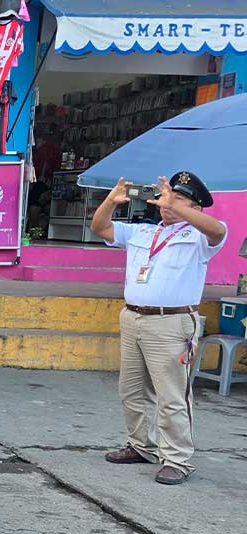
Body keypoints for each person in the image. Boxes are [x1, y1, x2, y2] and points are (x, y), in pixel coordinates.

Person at [91, 172, 227, 486]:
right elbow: (100, 227)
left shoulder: (198, 236)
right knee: (131, 390)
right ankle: (140, 445)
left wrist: (176, 208)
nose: (167, 203)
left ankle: (177, 460)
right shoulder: (143, 231)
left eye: (178, 199)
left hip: (171, 322)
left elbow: (218, 231)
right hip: (133, 317)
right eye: (167, 197)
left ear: (196, 208)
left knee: (171, 395)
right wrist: (110, 201)